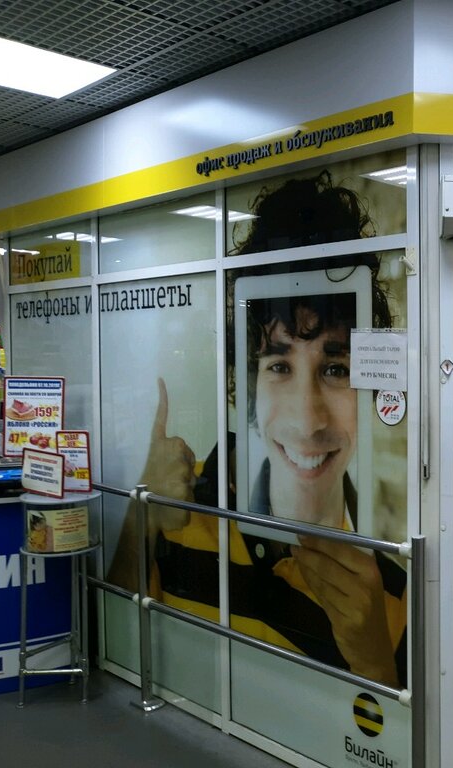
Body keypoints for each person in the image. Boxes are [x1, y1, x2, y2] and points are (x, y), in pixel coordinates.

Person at [109, 172, 406, 687]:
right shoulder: (182, 504)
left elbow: (381, 729)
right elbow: (119, 648)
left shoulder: (390, 580)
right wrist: (141, 516)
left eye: (336, 369)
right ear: (248, 385)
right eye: (279, 365)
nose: (308, 420)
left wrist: (374, 659)